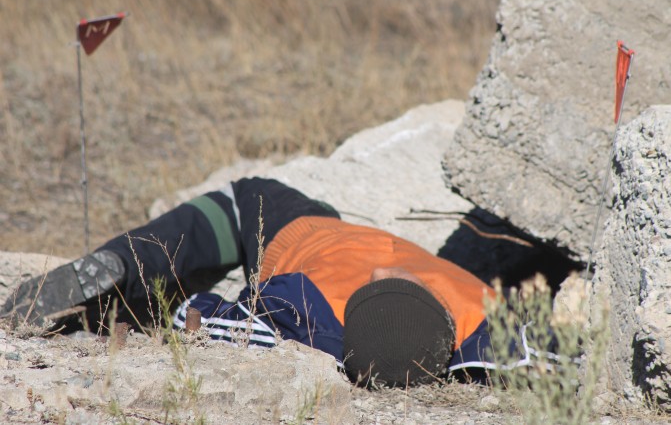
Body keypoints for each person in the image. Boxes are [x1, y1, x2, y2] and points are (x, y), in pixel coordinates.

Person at [1, 177, 498, 387]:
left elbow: (197, 316)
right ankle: (124, 272)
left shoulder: (312, 313)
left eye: (382, 286)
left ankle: (125, 262)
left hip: (315, 235)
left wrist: (178, 312)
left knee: (244, 202)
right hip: (322, 246)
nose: (382, 274)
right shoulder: (483, 322)